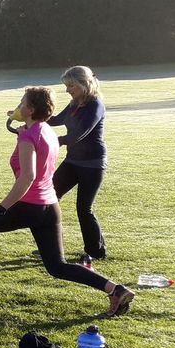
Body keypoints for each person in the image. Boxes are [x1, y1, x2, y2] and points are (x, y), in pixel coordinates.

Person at [0, 86, 134, 317]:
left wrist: (1, 208)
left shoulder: (29, 135)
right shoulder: (45, 131)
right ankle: (115, 289)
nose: (19, 105)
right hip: (50, 206)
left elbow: (28, 177)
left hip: (30, 204)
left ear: (31, 109)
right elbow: (38, 146)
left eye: (22, 101)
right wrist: (23, 131)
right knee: (57, 267)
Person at [47, 65, 108, 266]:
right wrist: (29, 115)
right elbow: (55, 120)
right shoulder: (75, 103)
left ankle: (96, 251)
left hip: (92, 164)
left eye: (71, 86)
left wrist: (58, 140)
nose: (67, 90)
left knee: (84, 208)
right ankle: (50, 247)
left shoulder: (95, 105)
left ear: (84, 83)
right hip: (73, 161)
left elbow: (80, 133)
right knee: (48, 198)